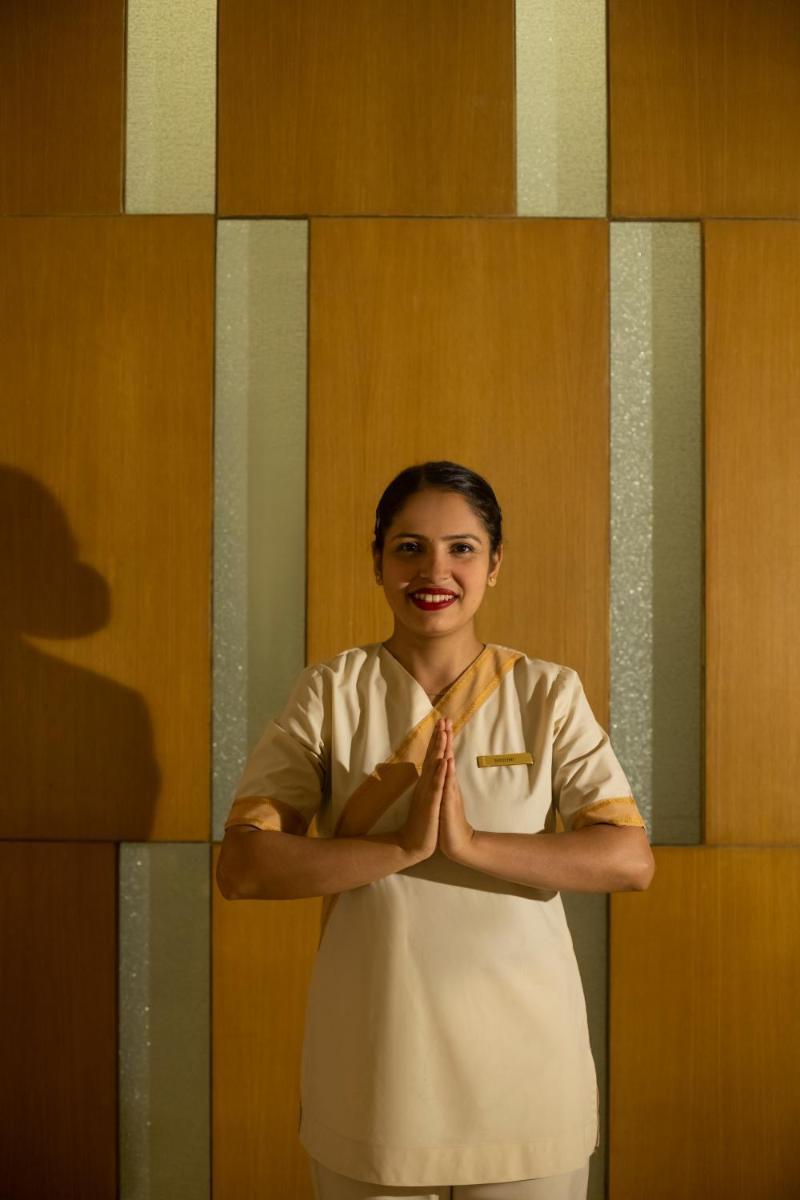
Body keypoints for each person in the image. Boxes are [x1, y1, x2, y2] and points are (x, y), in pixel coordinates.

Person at [217, 461, 655, 1200]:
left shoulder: (547, 692)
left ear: (495, 564)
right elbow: (245, 868)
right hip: (377, 1065)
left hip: (525, 1069)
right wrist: (399, 848)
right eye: (409, 547)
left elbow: (628, 859)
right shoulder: (331, 693)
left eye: (462, 548)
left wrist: (469, 845)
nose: (435, 570)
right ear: (379, 561)